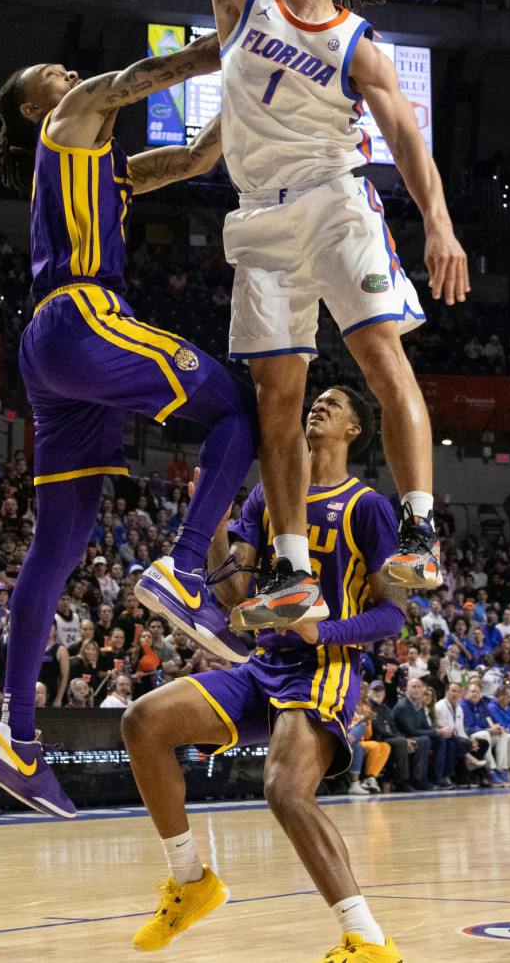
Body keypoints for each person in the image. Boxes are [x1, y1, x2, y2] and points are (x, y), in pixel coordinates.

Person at [98, 0, 467, 622]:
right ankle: (292, 563)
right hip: (258, 218)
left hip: (336, 200)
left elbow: (408, 141)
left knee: (381, 358)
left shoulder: (358, 43)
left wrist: (439, 226)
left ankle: (419, 533)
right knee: (278, 399)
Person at [0, 31, 258, 820]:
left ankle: (15, 736)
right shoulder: (67, 117)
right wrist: (243, 36)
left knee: (60, 543)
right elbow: (146, 75)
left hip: (51, 354)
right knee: (238, 406)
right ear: (37, 104)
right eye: (50, 68)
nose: (66, 70)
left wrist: (251, 84)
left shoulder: (108, 171)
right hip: (83, 316)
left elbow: (199, 158)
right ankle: (188, 566)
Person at [118, 385, 406, 962]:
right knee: (143, 721)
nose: (317, 406)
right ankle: (189, 880)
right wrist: (219, 522)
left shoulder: (367, 506)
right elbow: (236, 599)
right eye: (314, 399)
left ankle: (368, 940)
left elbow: (393, 613)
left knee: (284, 789)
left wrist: (319, 632)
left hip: (323, 667)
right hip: (263, 664)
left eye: (333, 403)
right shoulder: (266, 500)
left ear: (355, 430)